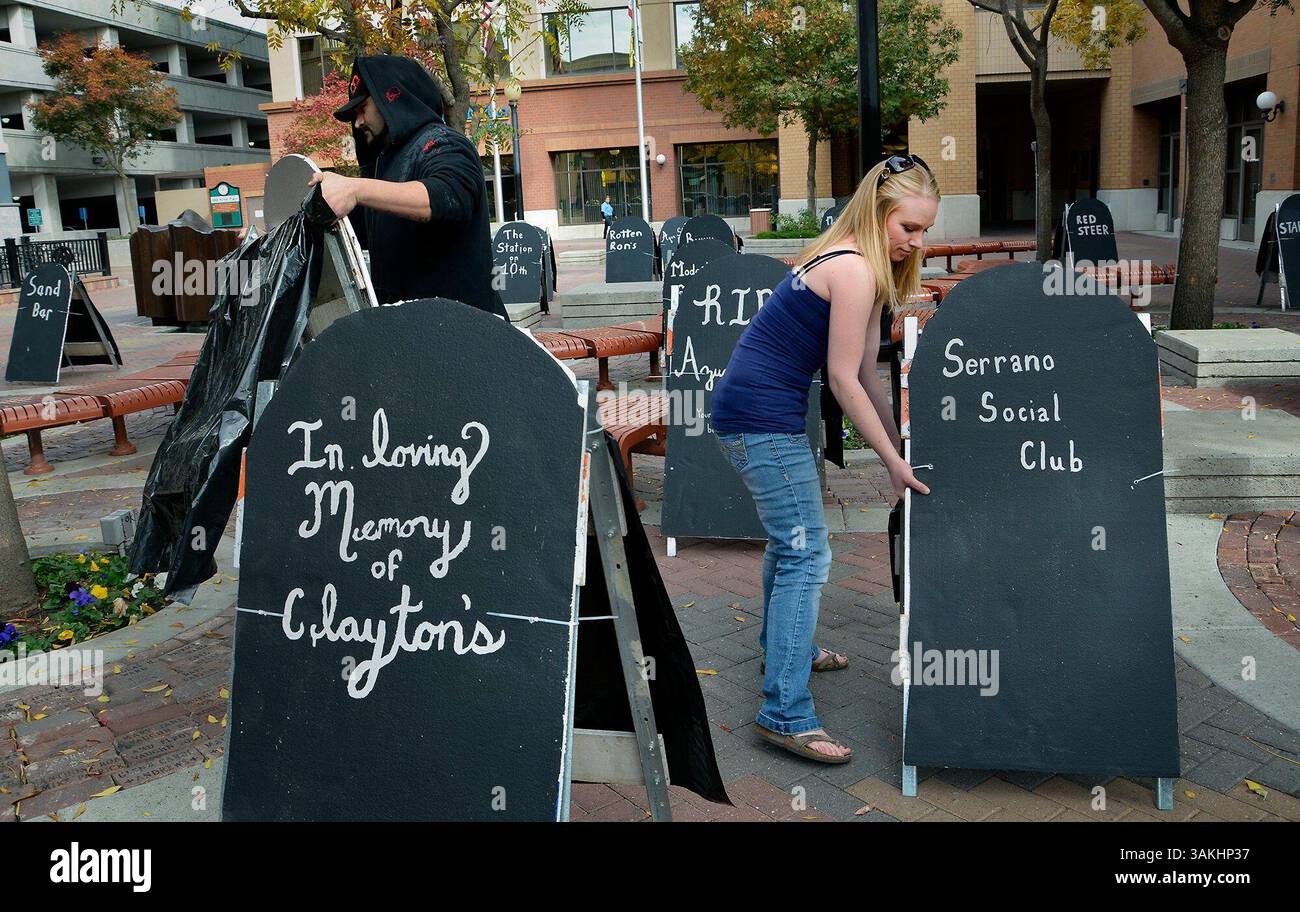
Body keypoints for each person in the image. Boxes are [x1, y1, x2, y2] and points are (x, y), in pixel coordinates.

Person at [709, 154, 938, 764]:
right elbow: (840, 379)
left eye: (924, 231)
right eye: (906, 228)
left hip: (755, 411)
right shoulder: (856, 269)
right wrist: (890, 461)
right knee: (808, 551)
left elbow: (867, 371)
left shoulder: (857, 263)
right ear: (877, 212)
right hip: (760, 418)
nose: (915, 242)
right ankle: (784, 711)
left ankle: (787, 650)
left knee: (791, 544)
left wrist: (898, 442)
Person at [310, 55, 505, 316]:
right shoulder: (384, 168)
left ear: (390, 99)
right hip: (409, 337)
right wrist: (281, 231)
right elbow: (351, 231)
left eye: (362, 108)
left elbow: (449, 196)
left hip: (464, 334)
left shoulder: (443, 143)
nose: (357, 123)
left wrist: (355, 189)